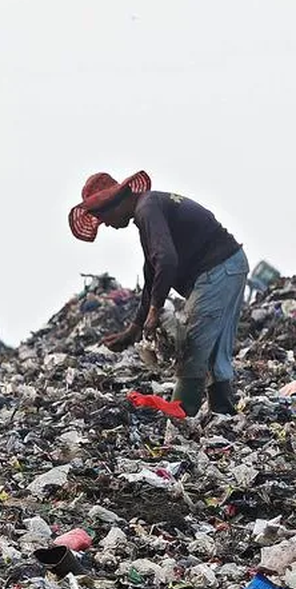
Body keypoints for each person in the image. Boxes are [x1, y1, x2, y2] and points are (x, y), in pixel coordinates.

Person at [68, 170, 249, 416]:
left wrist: (155, 310)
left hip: (218, 270)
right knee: (212, 347)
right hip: (229, 266)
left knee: (193, 345)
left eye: (104, 217)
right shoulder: (149, 210)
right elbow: (152, 274)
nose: (107, 224)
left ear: (115, 202)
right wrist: (134, 328)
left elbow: (167, 260)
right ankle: (223, 414)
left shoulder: (147, 209)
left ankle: (182, 414)